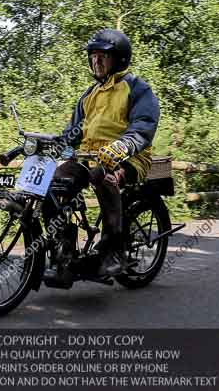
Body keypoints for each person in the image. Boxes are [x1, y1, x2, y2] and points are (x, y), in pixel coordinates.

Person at [47, 28, 160, 277]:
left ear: (118, 59)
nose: (96, 61)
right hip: (89, 158)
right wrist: (49, 145)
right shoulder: (89, 95)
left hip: (130, 158)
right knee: (51, 184)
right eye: (93, 56)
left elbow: (143, 128)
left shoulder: (137, 88)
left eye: (102, 56)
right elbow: (72, 134)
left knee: (104, 177)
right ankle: (62, 247)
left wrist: (122, 147)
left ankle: (113, 251)